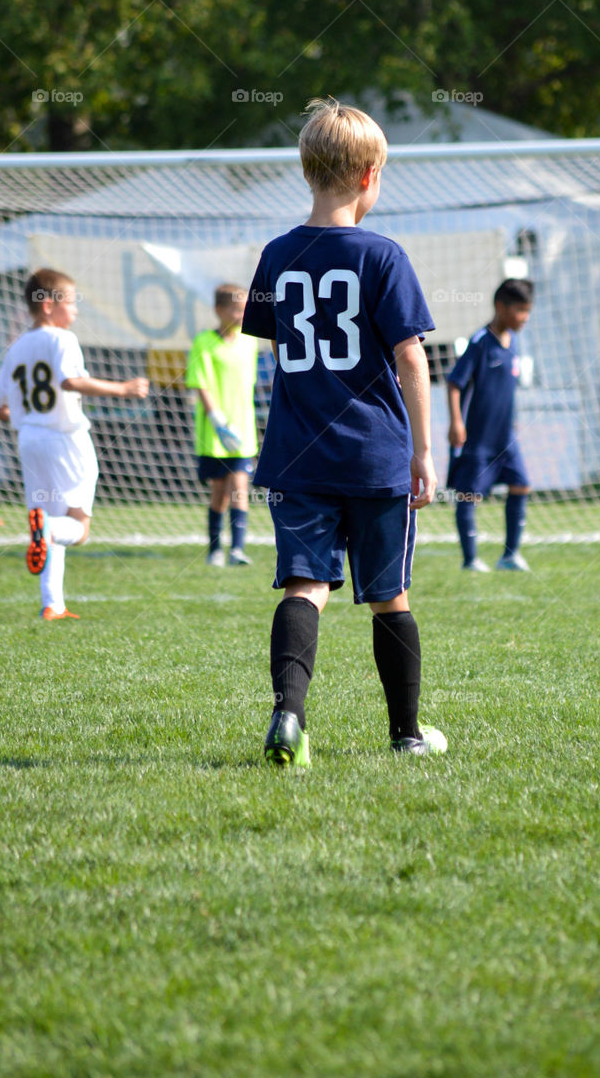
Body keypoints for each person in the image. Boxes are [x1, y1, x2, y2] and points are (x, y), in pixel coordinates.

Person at [241, 97, 446, 766]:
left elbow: (277, 352)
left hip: (297, 459)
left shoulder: (275, 256)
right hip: (374, 457)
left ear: (308, 171)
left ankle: (288, 718)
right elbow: (410, 355)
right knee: (390, 597)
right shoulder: (382, 256)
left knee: (305, 587)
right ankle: (406, 735)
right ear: (368, 177)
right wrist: (423, 448)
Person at [0, 268, 150, 619]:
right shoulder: (62, 339)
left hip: (29, 441)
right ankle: (46, 533)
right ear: (47, 305)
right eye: (72, 302)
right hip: (65, 440)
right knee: (78, 528)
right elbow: (70, 382)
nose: (75, 311)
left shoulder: (16, 348)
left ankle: (52, 604)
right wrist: (123, 389)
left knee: (51, 520)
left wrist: (29, 419)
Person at [447, 278, 534, 573]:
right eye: (520, 310)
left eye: (527, 310)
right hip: (478, 438)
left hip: (506, 437)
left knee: (521, 484)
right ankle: (470, 560)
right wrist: (456, 422)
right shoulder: (480, 342)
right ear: (501, 307)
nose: (525, 317)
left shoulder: (515, 342)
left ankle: (510, 555)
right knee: (469, 495)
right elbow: (454, 383)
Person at [186, 284, 258, 567]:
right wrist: (216, 419)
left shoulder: (250, 341)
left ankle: (237, 549)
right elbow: (200, 382)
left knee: (240, 485)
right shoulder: (204, 342)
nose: (241, 314)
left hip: (243, 430)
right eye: (235, 309)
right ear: (219, 310)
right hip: (215, 431)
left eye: (244, 309)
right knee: (219, 492)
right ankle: (215, 549)